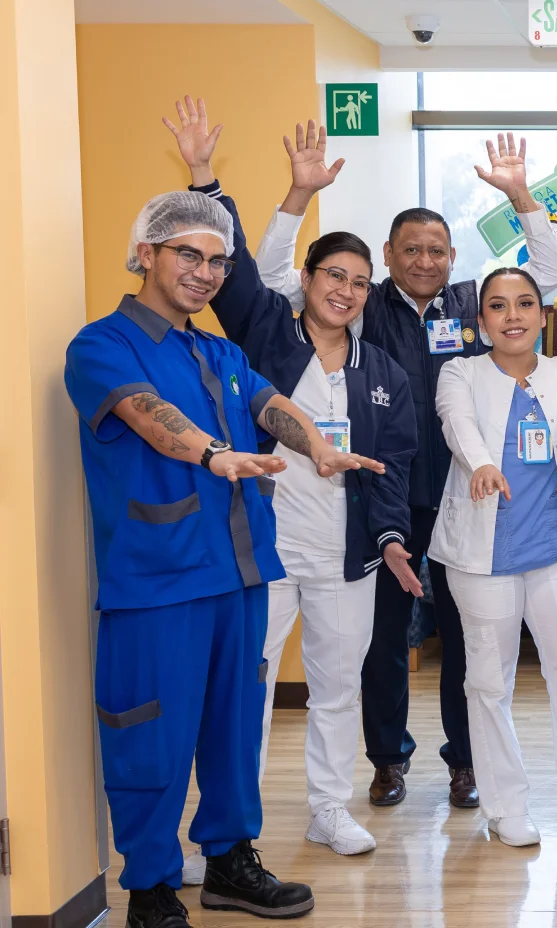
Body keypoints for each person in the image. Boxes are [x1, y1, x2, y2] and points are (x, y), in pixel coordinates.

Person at [65, 186, 385, 925]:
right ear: (146, 253)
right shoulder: (102, 345)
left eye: (219, 260)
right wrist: (213, 454)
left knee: (235, 730)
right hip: (155, 579)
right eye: (190, 254)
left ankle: (229, 862)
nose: (207, 272)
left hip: (240, 574)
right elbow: (150, 417)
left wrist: (320, 447)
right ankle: (148, 880)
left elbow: (272, 404)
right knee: (149, 732)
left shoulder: (219, 349)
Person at [254, 131, 557, 809]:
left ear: (452, 257)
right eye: (410, 250)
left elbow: (546, 279)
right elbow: (276, 280)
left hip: (463, 500)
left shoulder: (471, 306)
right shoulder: (360, 307)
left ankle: (466, 761)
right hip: (381, 499)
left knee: (465, 638)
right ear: (389, 257)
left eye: (436, 249)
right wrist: (299, 195)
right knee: (382, 640)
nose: (424, 259)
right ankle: (388, 758)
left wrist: (520, 195)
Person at [160, 102, 421, 858]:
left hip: (348, 559)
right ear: (306, 279)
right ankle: (232, 826)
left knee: (339, 689)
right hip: (264, 549)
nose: (345, 290)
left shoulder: (386, 376)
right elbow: (237, 270)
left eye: (360, 283)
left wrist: (395, 539)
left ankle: (328, 810)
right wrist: (223, 179)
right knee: (249, 686)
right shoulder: (269, 333)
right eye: (333, 274)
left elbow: (395, 468)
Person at [428, 266, 557, 847]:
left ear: (542, 315)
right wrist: (480, 463)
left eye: (524, 303)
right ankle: (507, 807)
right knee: (488, 683)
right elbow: (457, 424)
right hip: (483, 558)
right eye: (498, 306)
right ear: (481, 321)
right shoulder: (460, 370)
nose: (512, 316)